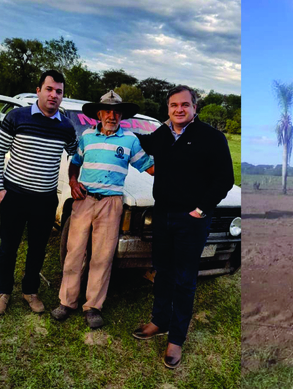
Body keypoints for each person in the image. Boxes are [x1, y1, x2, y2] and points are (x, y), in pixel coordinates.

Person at [132, 85, 234, 369]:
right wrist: (116, 130)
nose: (179, 109)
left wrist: (200, 210)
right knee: (162, 272)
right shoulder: (162, 135)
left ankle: (176, 339)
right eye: (174, 105)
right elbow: (141, 142)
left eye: (185, 105)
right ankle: (159, 321)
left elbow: (224, 179)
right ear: (167, 109)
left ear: (194, 108)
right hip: (162, 215)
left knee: (185, 279)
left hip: (191, 220)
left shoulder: (212, 138)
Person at [50, 90, 154, 328]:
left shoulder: (130, 140)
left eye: (117, 112)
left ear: (122, 116)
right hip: (84, 201)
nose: (112, 115)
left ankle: (93, 307)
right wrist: (74, 183)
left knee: (102, 256)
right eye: (107, 111)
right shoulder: (87, 137)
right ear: (98, 113)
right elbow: (74, 164)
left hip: (111, 203)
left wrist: (181, 161)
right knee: (74, 252)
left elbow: (149, 168)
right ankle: (67, 302)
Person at [0, 70, 78, 315]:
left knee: (37, 247)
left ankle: (30, 291)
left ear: (63, 96)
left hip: (45, 199)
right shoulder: (16, 117)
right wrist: (0, 188)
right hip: (13, 194)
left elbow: (77, 153)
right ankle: (3, 292)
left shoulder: (66, 127)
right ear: (39, 90)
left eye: (59, 91)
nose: (53, 95)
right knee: (8, 246)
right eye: (49, 89)